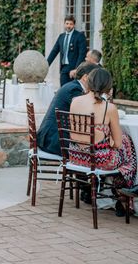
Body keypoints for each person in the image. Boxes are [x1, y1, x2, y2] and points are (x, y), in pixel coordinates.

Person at [68, 68, 136, 214]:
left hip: (75, 157)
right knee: (127, 147)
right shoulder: (109, 108)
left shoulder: (75, 101)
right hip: (98, 160)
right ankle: (123, 195)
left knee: (122, 145)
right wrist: (110, 139)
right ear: (108, 86)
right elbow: (117, 144)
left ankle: (110, 195)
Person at [37, 61, 99, 156]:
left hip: (51, 138)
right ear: (86, 77)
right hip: (55, 142)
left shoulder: (72, 86)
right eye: (96, 77)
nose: (98, 81)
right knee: (100, 148)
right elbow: (89, 113)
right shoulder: (74, 90)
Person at [46, 15, 88, 86]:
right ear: (64, 24)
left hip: (74, 69)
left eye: (71, 24)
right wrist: (46, 65)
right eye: (67, 23)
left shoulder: (79, 36)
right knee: (63, 89)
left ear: (74, 25)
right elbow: (54, 51)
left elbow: (82, 54)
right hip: (64, 69)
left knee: (73, 90)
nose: (68, 26)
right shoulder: (61, 36)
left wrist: (77, 69)